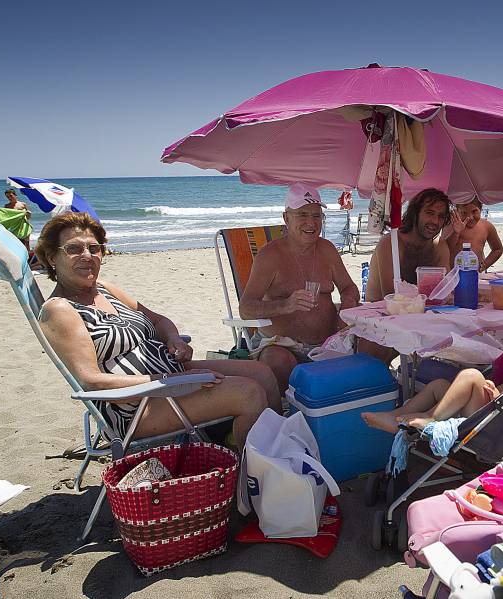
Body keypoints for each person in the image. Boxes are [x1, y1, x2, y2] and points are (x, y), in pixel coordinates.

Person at [35, 212, 280, 447]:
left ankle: (277, 452)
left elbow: (159, 321)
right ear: (51, 257)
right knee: (250, 393)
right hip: (139, 405)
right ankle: (252, 473)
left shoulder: (104, 288)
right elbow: (92, 381)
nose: (87, 255)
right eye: (74, 249)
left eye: (94, 248)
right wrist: (169, 380)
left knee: (262, 373)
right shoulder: (60, 310)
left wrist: (174, 340)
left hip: (171, 376)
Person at [239, 183, 361, 389]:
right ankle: (296, 411)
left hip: (329, 342)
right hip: (282, 344)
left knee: (374, 343)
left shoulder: (327, 250)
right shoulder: (270, 255)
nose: (311, 223)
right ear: (286, 218)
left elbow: (349, 288)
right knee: (278, 361)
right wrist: (285, 305)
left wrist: (348, 303)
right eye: (302, 215)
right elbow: (246, 309)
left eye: (316, 216)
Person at [361, 322, 503, 433]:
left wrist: (495, 393)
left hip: (495, 423)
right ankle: (398, 415)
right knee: (438, 385)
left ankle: (430, 418)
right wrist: (496, 391)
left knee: (472, 375)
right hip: (488, 410)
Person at [364, 188, 452, 302]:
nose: (435, 221)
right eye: (430, 213)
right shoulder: (391, 243)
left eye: (441, 216)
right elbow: (391, 297)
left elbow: (446, 290)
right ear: (415, 214)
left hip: (421, 312)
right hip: (379, 314)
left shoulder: (439, 246)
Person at [445, 197, 503, 271]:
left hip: (476, 274)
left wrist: (485, 264)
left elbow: (497, 249)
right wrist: (456, 232)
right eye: (464, 213)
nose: (470, 217)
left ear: (481, 209)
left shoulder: (487, 226)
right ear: (457, 212)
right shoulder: (451, 226)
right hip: (454, 274)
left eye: (474, 211)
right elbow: (445, 248)